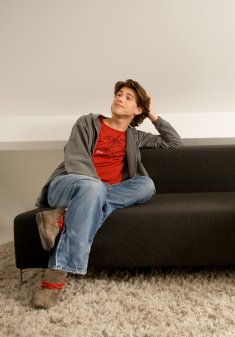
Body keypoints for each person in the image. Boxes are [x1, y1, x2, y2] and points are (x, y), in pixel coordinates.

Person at [31, 79, 183, 309]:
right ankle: (54, 279)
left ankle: (60, 217)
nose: (120, 98)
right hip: (68, 186)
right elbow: (75, 159)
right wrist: (95, 187)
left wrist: (152, 113)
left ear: (137, 109)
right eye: (119, 94)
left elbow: (174, 143)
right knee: (93, 188)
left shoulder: (135, 137)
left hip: (99, 194)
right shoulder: (88, 123)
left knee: (146, 185)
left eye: (128, 97)